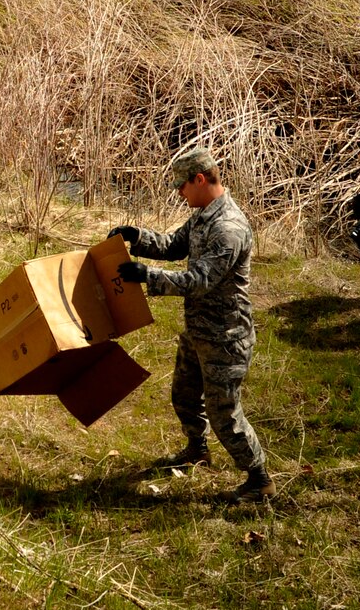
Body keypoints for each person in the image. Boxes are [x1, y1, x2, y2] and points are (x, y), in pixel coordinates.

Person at [110, 146, 270, 502]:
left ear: (200, 179)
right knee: (183, 396)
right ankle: (197, 450)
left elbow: (199, 279)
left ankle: (259, 479)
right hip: (198, 330)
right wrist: (137, 236)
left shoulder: (229, 228)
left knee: (224, 413)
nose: (178, 193)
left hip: (226, 337)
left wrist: (146, 277)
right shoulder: (202, 215)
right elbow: (173, 246)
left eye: (181, 186)